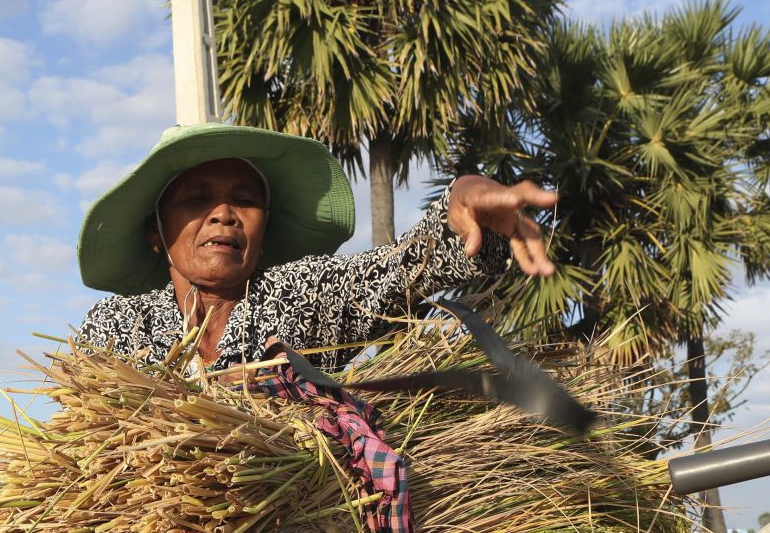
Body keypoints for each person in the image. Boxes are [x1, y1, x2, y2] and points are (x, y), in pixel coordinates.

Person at [77, 123, 557, 371]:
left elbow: (401, 268)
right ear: (157, 235)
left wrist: (462, 198)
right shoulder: (117, 329)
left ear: (264, 229)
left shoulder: (303, 294)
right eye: (196, 200)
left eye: (245, 200)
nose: (224, 214)